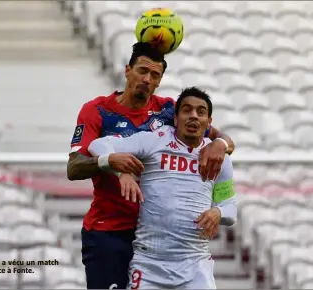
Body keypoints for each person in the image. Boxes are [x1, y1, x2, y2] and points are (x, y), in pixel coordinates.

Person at [67, 43, 236, 289]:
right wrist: (114, 166)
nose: (147, 79)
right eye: (142, 71)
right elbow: (74, 168)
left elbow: (217, 137)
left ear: (159, 80)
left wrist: (220, 143)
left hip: (155, 235)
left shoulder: (168, 110)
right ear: (127, 70)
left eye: (154, 75)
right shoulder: (98, 111)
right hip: (110, 228)